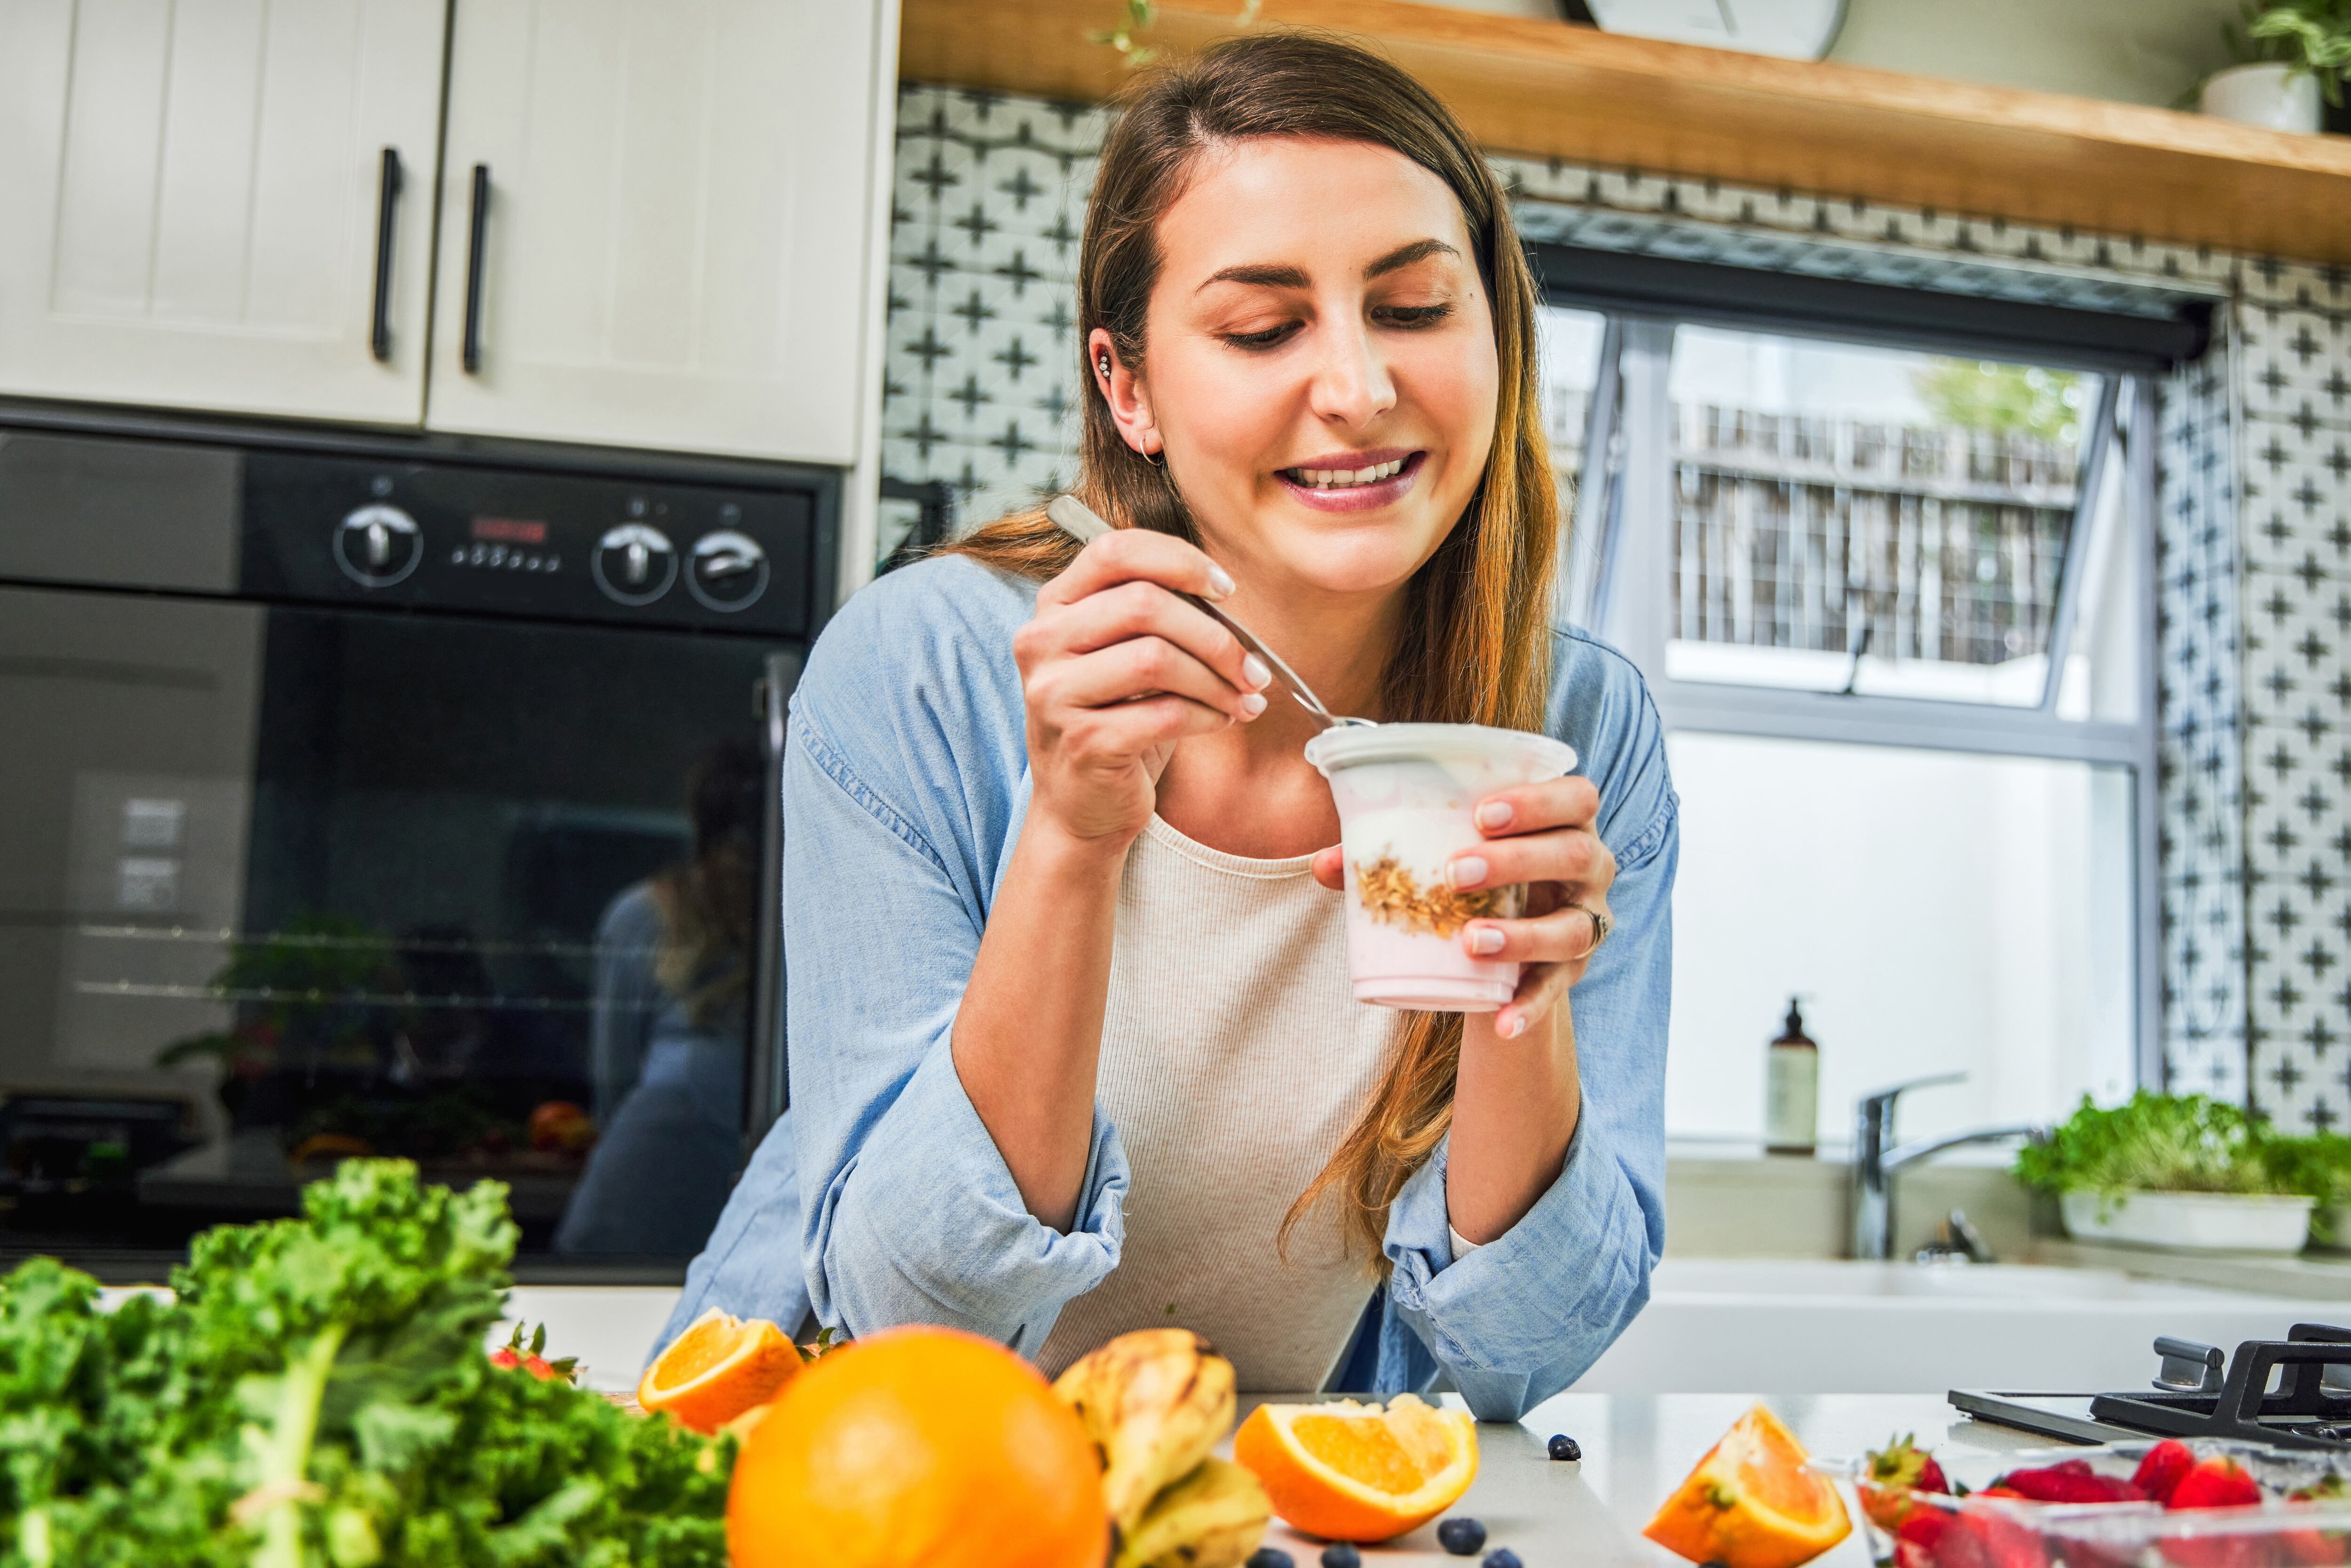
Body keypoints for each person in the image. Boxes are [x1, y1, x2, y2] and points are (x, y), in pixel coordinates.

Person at [659, 31, 1675, 1418]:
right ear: (1126, 386)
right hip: (872, 1469)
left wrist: (1511, 1007)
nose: (1360, 388)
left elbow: (1523, 1353)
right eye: (1263, 328)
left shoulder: (1576, 725)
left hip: (1257, 1499)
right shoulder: (922, 670)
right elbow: (906, 1310)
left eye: (1417, 308)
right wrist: (1074, 836)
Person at [556, 740, 763, 1255]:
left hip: (722, 1217)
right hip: (643, 1211)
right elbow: (613, 1082)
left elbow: (614, 1077)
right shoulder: (647, 916)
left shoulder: (803, 924)